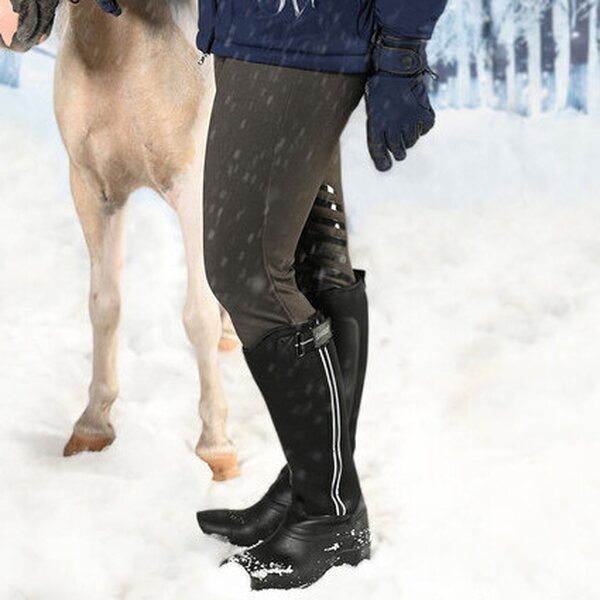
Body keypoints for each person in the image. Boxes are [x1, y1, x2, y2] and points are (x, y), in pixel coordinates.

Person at [97, 0, 448, 590]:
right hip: (267, 31)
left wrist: (402, 52)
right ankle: (312, 483)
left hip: (299, 35)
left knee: (248, 271)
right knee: (313, 263)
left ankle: (329, 512)